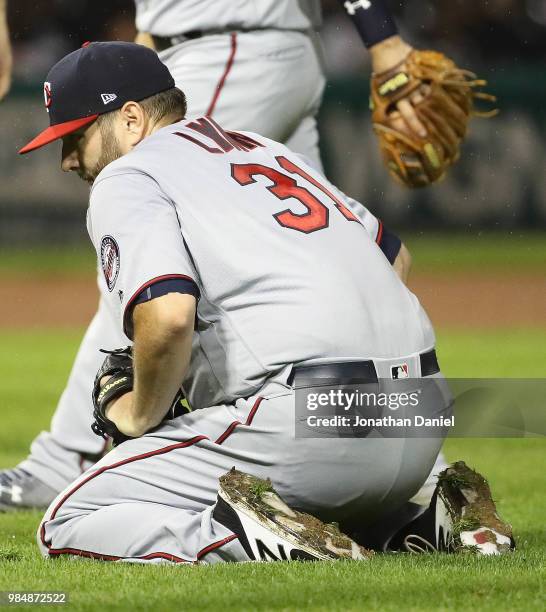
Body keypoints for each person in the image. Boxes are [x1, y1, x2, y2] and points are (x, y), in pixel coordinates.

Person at [20, 42, 513, 560]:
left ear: (132, 119)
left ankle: (255, 537)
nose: (67, 160)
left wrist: (140, 415)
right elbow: (397, 260)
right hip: (421, 415)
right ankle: (424, 518)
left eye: (75, 136)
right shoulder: (264, 149)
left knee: (68, 518)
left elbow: (167, 318)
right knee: (322, 475)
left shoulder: (128, 175)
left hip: (310, 427)